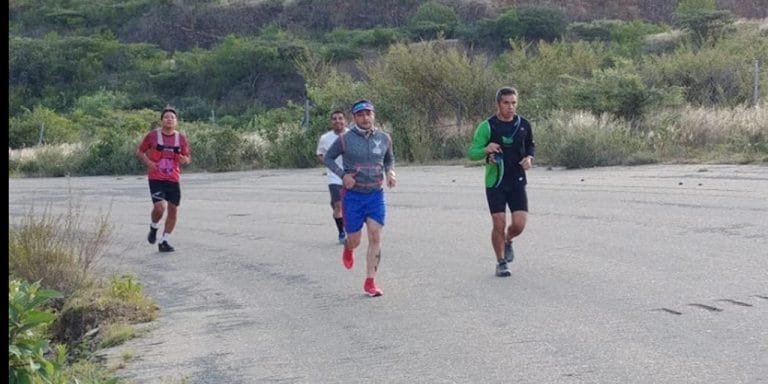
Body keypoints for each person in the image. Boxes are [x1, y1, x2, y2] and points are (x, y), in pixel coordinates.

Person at [323, 99, 396, 297]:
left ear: (374, 115)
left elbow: (389, 159)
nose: (365, 118)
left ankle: (370, 282)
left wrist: (390, 172)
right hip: (353, 197)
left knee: (375, 235)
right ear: (354, 118)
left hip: (375, 195)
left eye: (368, 114)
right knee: (355, 240)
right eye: (360, 115)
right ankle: (349, 248)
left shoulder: (384, 138)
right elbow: (328, 158)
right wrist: (343, 175)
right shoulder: (345, 139)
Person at [467, 87, 535, 277]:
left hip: (517, 180)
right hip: (495, 182)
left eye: (513, 103)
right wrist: (486, 149)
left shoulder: (524, 124)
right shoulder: (487, 126)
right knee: (499, 223)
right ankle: (501, 262)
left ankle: (507, 239)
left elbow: (530, 145)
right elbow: (472, 153)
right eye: (506, 103)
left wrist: (529, 158)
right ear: (498, 104)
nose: (510, 107)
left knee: (519, 225)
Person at [136, 106, 191, 253]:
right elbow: (140, 151)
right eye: (166, 117)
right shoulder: (152, 136)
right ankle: (154, 227)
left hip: (173, 179)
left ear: (176, 121)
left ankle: (164, 241)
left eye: (172, 117)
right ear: (161, 120)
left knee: (173, 210)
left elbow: (187, 158)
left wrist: (184, 160)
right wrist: (148, 162)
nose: (169, 119)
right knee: (160, 207)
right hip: (156, 178)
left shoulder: (181, 138)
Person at [316, 110, 349, 244]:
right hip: (334, 176)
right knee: (338, 205)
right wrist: (329, 164)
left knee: (347, 205)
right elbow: (320, 154)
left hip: (350, 175)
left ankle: (344, 220)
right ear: (331, 122)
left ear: (345, 120)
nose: (337, 121)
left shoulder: (351, 135)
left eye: (340, 118)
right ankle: (342, 233)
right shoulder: (325, 138)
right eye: (334, 119)